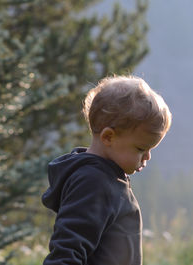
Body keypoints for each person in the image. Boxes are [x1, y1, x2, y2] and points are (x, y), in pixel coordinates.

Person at [42, 75, 172, 265]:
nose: (147, 157)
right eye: (140, 149)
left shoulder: (107, 179)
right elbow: (67, 252)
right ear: (108, 137)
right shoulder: (93, 183)